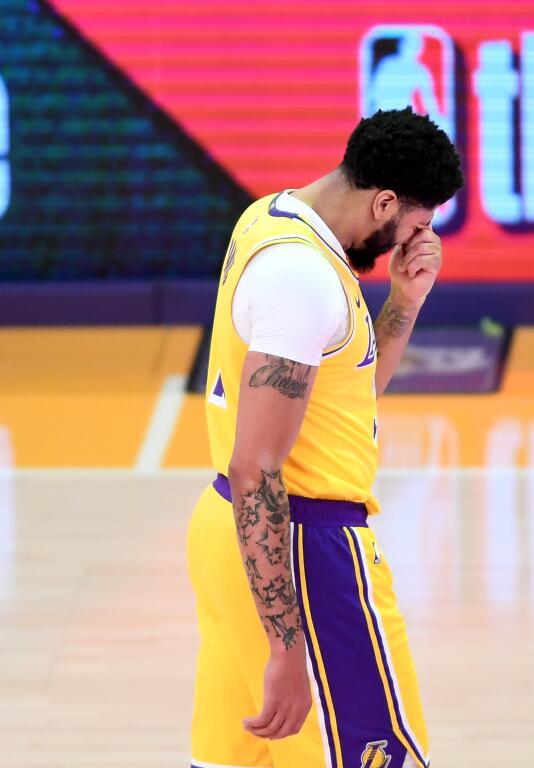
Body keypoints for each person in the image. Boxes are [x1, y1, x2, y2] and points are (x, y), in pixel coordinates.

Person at [187, 107, 463, 768]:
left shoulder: (269, 216)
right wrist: (288, 646)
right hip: (306, 552)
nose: (414, 240)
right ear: (385, 202)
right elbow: (257, 467)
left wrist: (403, 304)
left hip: (228, 534)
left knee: (236, 758)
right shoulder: (304, 280)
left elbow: (346, 400)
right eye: (416, 225)